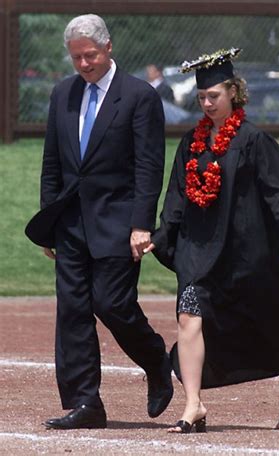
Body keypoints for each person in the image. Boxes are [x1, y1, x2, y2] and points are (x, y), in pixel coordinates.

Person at [144, 48, 279, 434]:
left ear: (234, 92)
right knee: (188, 314)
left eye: (213, 96)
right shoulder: (192, 143)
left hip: (248, 254)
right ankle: (193, 405)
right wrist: (162, 235)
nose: (206, 103)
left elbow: (278, 194)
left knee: (273, 322)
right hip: (199, 252)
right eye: (201, 97)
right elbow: (178, 196)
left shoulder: (254, 141)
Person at [24, 14, 173, 429]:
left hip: (119, 221)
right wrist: (48, 219)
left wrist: (142, 224)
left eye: (90, 55)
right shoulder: (63, 94)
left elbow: (149, 166)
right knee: (72, 311)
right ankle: (85, 402)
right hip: (70, 222)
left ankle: (156, 361)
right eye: (77, 58)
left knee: (112, 304)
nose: (84, 64)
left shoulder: (139, 96)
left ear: (108, 48)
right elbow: (52, 162)